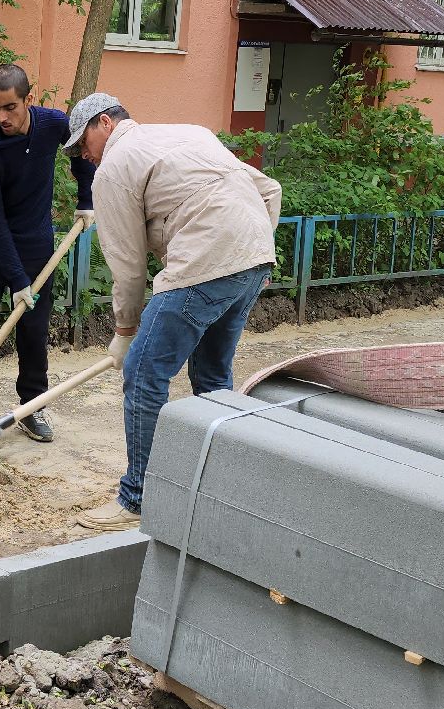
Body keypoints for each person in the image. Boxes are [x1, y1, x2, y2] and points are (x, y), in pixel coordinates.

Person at [60, 92, 282, 532]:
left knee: (144, 374)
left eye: (82, 142)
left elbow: (127, 264)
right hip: (255, 258)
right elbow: (269, 190)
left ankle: (138, 498)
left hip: (207, 261)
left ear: (104, 122)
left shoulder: (115, 168)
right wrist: (253, 253)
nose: (83, 154)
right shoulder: (188, 132)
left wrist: (125, 331)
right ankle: (217, 482)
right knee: (214, 377)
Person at [0, 63, 96, 451]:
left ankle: (31, 406)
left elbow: (80, 151)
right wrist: (17, 279)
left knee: (33, 330)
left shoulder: (52, 125)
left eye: (9, 107)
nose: (1, 118)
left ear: (29, 99)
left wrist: (86, 199)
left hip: (35, 243)